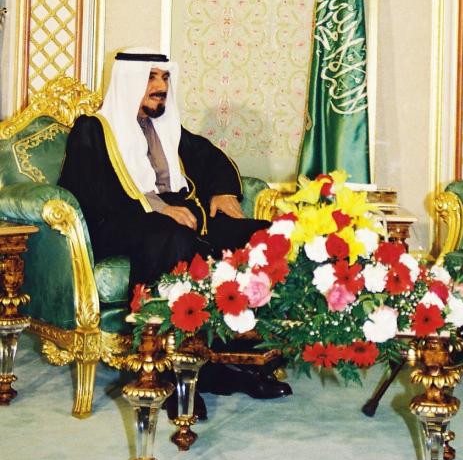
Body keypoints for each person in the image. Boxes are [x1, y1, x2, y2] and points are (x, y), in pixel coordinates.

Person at [59, 48, 292, 409]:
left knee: (262, 235)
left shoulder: (166, 128)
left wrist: (223, 192)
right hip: (121, 222)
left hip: (179, 217)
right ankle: (168, 373)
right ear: (129, 81)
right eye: (152, 77)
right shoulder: (92, 129)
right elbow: (91, 193)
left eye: (165, 77)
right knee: (170, 236)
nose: (161, 86)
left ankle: (236, 362)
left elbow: (210, 158)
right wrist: (159, 208)